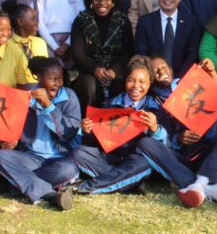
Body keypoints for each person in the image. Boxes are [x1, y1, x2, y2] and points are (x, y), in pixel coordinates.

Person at [73, 55, 190, 202]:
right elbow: (97, 140)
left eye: (142, 82)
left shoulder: (156, 110)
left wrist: (155, 129)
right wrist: (87, 131)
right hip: (110, 159)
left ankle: (89, 186)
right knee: (79, 153)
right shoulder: (111, 104)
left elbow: (167, 146)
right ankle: (129, 182)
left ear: (149, 84)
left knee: (143, 163)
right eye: (131, 80)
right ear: (125, 81)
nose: (136, 86)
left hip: (136, 160)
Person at [133, 58, 217, 207]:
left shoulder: (190, 82)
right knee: (145, 143)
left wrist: (211, 74)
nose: (161, 71)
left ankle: (200, 183)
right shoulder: (153, 102)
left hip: (209, 153)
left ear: (171, 69)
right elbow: (164, 140)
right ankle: (202, 187)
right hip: (180, 159)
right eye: (155, 70)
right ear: (151, 78)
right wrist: (178, 138)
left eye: (164, 67)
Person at [0, 57, 81, 211]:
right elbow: (13, 126)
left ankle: (11, 184)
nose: (57, 83)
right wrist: (11, 141)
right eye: (53, 79)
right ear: (39, 78)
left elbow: (67, 134)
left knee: (69, 169)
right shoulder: (26, 96)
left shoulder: (69, 96)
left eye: (60, 79)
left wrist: (48, 105)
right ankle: (49, 194)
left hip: (58, 159)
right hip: (30, 156)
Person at [70, 0, 134, 106]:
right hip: (89, 70)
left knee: (120, 82)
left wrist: (113, 71)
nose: (102, 3)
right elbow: (77, 53)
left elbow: (127, 52)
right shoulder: (81, 20)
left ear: (113, 0)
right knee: (88, 85)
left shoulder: (123, 20)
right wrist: (95, 69)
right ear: (91, 0)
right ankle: (88, 117)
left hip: (116, 70)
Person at [135, 0, 200, 75]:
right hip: (153, 76)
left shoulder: (191, 22)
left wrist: (180, 79)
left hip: (183, 77)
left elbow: (192, 54)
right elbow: (141, 53)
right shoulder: (145, 22)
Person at [6, 2, 50, 67]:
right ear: (20, 22)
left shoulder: (40, 43)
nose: (37, 23)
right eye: (33, 19)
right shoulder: (6, 46)